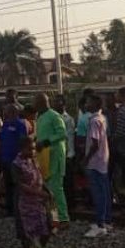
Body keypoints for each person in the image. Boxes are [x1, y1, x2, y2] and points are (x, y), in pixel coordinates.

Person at [12, 137, 51, 248]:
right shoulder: (16, 165)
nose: (33, 152)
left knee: (47, 228)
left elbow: (39, 176)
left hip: (38, 201)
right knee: (26, 232)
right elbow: (21, 185)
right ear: (22, 149)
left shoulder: (33, 160)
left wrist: (47, 190)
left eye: (33, 149)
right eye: (29, 149)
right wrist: (39, 193)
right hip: (25, 203)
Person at [35, 93, 70, 226]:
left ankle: (63, 218)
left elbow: (62, 134)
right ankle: (54, 218)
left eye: (35, 103)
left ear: (42, 103)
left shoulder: (54, 116)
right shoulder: (41, 116)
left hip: (55, 156)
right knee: (47, 189)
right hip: (44, 157)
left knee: (56, 188)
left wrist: (46, 142)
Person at [83, 95, 112, 238]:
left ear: (94, 104)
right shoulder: (102, 118)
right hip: (103, 160)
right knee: (104, 191)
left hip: (95, 161)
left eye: (88, 102)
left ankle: (100, 225)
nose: (86, 104)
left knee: (98, 193)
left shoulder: (94, 121)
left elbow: (94, 143)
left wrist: (86, 159)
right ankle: (106, 221)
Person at [0, 103, 28, 216]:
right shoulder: (4, 124)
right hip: (5, 159)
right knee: (8, 184)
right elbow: (1, 140)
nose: (6, 113)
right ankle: (10, 208)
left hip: (15, 160)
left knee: (17, 185)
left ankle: (18, 209)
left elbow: (23, 141)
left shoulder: (20, 124)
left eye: (9, 111)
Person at [53, 95, 77, 209]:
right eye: (55, 102)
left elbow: (66, 137)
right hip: (57, 154)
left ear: (64, 105)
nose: (57, 105)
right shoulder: (53, 118)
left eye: (59, 103)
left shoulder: (68, 119)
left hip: (67, 154)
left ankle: (70, 205)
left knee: (67, 182)